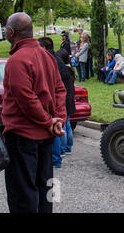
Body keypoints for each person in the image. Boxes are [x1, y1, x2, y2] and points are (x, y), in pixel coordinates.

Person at [2, 12, 66, 213]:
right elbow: (59, 90)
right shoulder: (47, 56)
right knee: (44, 187)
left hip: (23, 136)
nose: (5, 31)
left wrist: (50, 121)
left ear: (12, 32)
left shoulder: (16, 61)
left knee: (23, 193)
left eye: (6, 28)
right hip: (46, 137)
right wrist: (58, 120)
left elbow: (26, 99)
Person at [38, 37, 69, 169]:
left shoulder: (50, 61)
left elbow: (58, 84)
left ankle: (56, 158)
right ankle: (61, 151)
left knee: (55, 129)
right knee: (62, 126)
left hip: (54, 102)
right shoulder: (56, 60)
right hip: (58, 101)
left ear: (44, 47)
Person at [55, 48, 76, 158]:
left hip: (65, 99)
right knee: (67, 124)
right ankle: (68, 147)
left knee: (63, 124)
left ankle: (63, 148)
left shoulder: (63, 71)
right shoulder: (71, 70)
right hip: (70, 98)